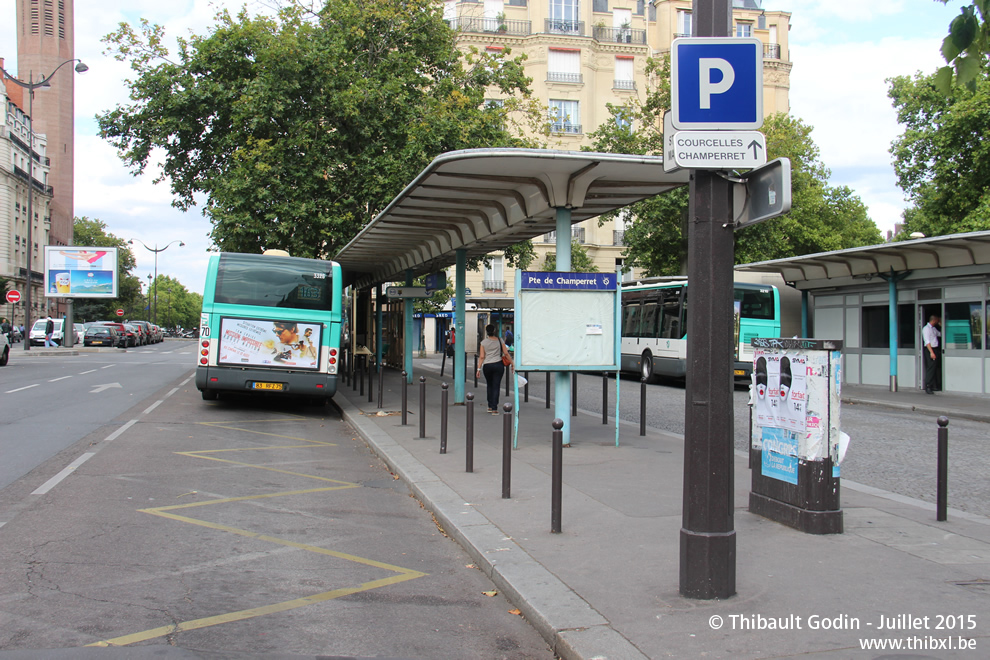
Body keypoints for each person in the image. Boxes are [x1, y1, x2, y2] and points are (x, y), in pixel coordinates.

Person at [477, 323, 514, 414]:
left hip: (487, 366)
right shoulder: (500, 340)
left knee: (489, 385)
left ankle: (490, 406)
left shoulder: (483, 343)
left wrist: (478, 369)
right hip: (498, 365)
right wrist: (512, 363)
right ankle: (494, 408)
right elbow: (506, 353)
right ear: (494, 331)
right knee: (496, 386)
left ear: (486, 332)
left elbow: (482, 357)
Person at [922, 314, 941, 394]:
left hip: (935, 349)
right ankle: (928, 386)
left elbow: (940, 334)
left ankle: (935, 385)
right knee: (931, 368)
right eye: (937, 321)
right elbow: (927, 342)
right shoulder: (926, 329)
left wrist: (941, 326)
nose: (937, 322)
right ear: (933, 320)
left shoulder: (933, 329)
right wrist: (931, 352)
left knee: (936, 367)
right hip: (930, 349)